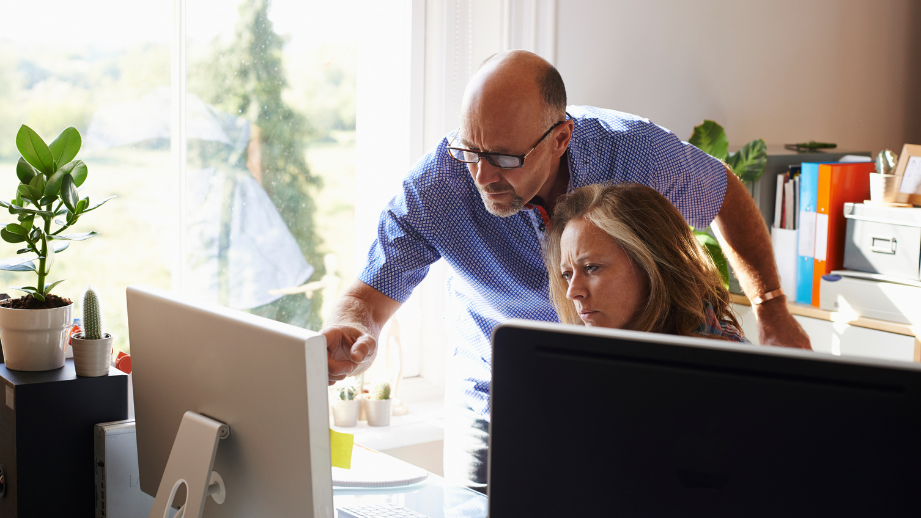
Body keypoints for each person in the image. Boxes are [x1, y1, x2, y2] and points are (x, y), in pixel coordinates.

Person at [321, 50, 809, 491]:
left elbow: (722, 191)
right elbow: (368, 296)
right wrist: (353, 331)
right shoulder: (439, 185)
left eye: (505, 158)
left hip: (628, 393)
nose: (483, 176)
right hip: (497, 400)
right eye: (470, 150)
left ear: (560, 138)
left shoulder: (634, 152)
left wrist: (770, 307)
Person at [546, 182, 748, 342]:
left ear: (651, 266)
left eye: (591, 268)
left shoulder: (727, 359)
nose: (572, 292)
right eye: (567, 274)